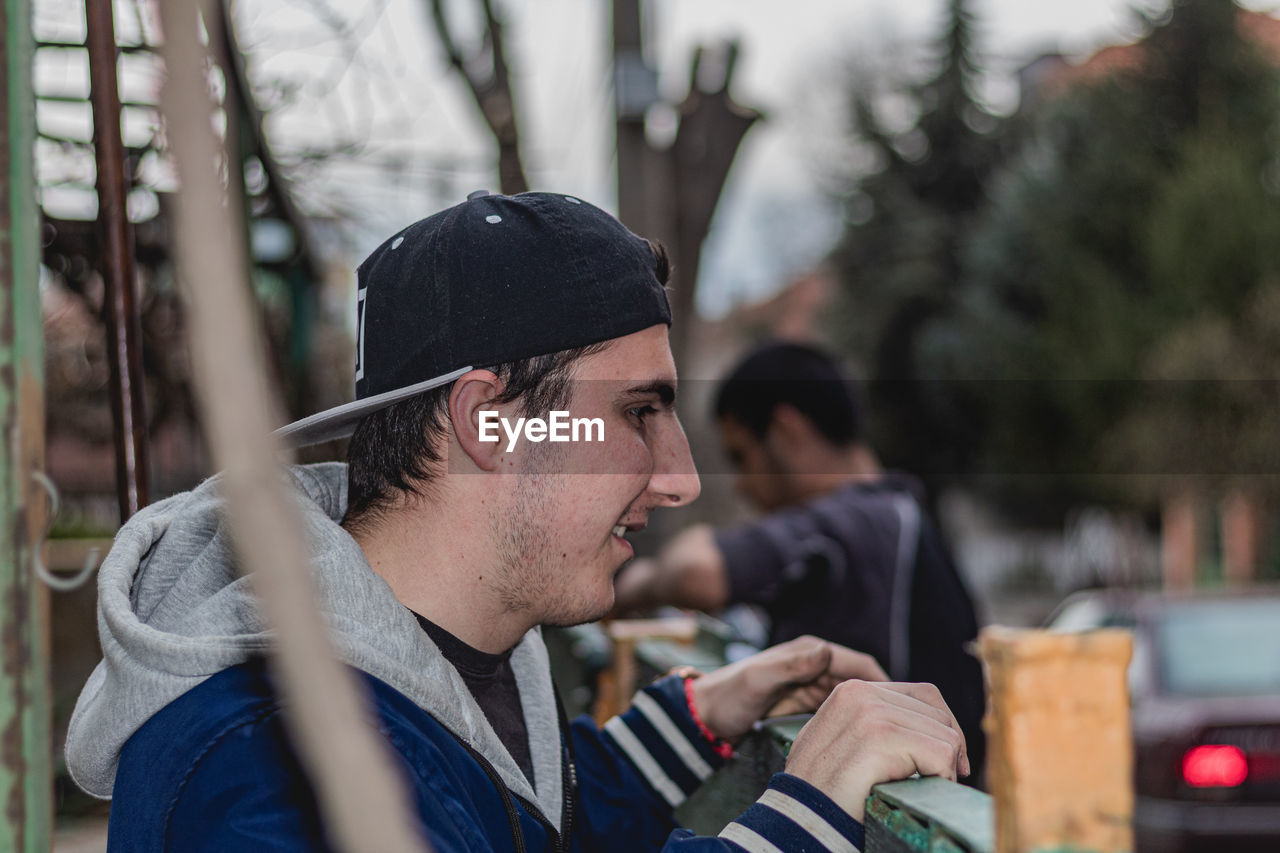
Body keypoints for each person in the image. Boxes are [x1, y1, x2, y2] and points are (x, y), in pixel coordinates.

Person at [65, 193, 968, 852]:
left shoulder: (454, 667)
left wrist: (695, 716)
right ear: (486, 422)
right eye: (639, 412)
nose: (683, 478)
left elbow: (510, 821)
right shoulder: (275, 770)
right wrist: (806, 814)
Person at [613, 341, 986, 777]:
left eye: (741, 456)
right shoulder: (897, 515)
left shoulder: (861, 521)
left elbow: (700, 572)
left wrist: (631, 586)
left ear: (787, 430)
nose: (742, 486)